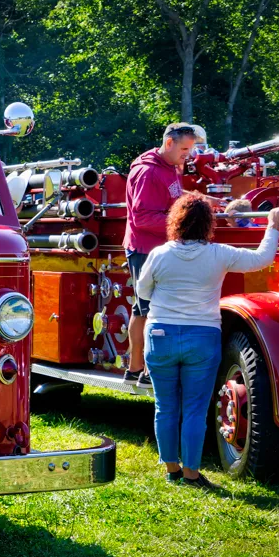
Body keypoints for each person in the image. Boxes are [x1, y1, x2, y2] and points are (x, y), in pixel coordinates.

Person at [137, 196, 279, 490]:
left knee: (165, 407)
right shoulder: (219, 254)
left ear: (175, 221)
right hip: (202, 337)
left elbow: (143, 290)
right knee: (194, 408)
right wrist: (273, 225)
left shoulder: (159, 253)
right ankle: (192, 474)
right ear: (208, 224)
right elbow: (261, 259)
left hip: (160, 334)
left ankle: (171, 470)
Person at [122, 122, 198, 387]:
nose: (188, 154)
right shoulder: (147, 172)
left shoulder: (170, 167)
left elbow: (172, 195)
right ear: (169, 143)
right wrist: (184, 222)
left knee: (143, 308)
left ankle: (136, 370)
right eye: (185, 149)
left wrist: (199, 201)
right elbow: (142, 218)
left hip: (158, 247)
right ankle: (142, 371)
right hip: (145, 248)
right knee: (148, 309)